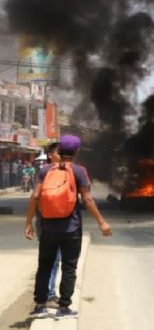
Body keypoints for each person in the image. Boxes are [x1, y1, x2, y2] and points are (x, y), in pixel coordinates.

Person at [25, 135, 112, 319]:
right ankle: (64, 307)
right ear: (77, 151)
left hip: (48, 227)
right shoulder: (79, 171)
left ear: (59, 150)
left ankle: (40, 306)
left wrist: (29, 223)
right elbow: (87, 200)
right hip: (71, 228)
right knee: (69, 267)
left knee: (44, 266)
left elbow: (35, 197)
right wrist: (101, 222)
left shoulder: (45, 170)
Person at [34, 143, 62, 306]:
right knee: (50, 260)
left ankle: (48, 294)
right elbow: (37, 199)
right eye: (59, 152)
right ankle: (47, 295)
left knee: (56, 260)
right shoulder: (45, 172)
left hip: (60, 224)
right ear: (50, 155)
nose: (63, 155)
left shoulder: (64, 171)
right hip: (47, 223)